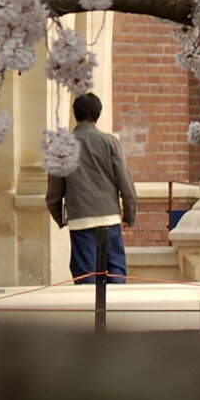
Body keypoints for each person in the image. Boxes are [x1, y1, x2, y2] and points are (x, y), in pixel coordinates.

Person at [45, 92, 138, 285]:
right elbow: (126, 186)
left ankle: (90, 314)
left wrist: (60, 218)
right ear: (98, 113)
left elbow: (53, 193)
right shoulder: (110, 143)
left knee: (85, 276)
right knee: (116, 273)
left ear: (74, 114)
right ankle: (115, 313)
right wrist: (129, 215)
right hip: (109, 217)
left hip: (81, 218)